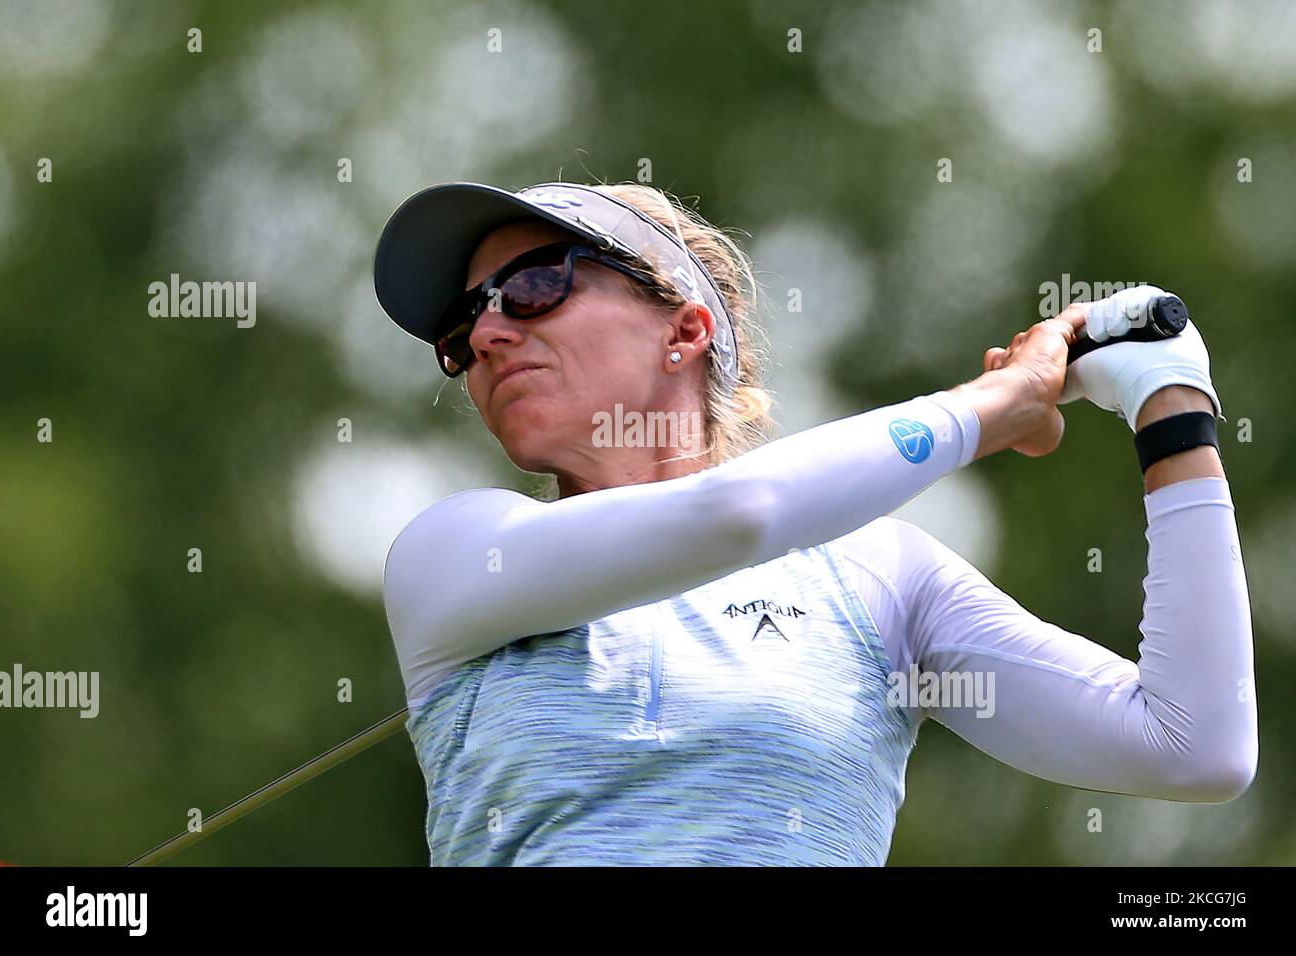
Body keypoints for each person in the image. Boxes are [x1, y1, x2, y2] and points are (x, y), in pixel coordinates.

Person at [372, 180, 1257, 866]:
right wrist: (990, 406)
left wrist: (1170, 408)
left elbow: (1193, 748)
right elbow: (740, 515)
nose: (486, 335)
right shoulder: (452, 555)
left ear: (683, 328)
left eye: (532, 285)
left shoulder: (880, 577)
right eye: (462, 325)